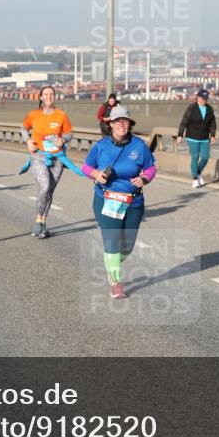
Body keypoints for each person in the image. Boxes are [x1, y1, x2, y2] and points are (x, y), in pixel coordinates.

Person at [83, 106, 155, 300]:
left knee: (127, 247)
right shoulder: (101, 146)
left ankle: (111, 262)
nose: (122, 124)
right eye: (118, 121)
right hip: (107, 200)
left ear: (130, 124)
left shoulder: (139, 146)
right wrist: (97, 174)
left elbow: (150, 168)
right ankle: (116, 282)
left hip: (133, 202)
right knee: (112, 241)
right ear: (111, 124)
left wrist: (145, 179)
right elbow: (86, 167)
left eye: (125, 121)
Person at [22, 86, 73, 238]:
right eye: (46, 94)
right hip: (38, 156)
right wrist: (28, 141)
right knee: (44, 186)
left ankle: (43, 223)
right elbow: (23, 128)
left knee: (49, 191)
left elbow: (69, 134)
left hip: (57, 158)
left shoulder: (61, 115)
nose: (49, 96)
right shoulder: (33, 114)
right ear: (41, 97)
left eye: (51, 94)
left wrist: (63, 139)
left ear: (54, 97)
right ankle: (38, 220)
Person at [177, 88, 217, 188]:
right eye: (203, 98)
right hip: (192, 137)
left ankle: (198, 173)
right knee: (195, 157)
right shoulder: (192, 108)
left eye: (206, 98)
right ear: (198, 97)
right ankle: (195, 179)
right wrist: (180, 135)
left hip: (204, 138)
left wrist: (212, 135)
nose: (205, 100)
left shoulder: (209, 109)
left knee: (205, 158)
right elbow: (184, 122)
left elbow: (213, 123)